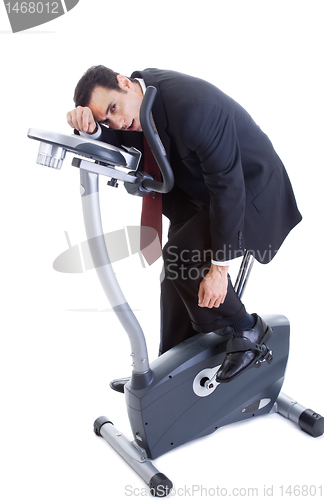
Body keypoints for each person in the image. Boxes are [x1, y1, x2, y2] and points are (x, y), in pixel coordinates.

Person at [67, 66, 302, 389]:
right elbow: (122, 137)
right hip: (201, 190)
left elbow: (229, 186)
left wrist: (219, 270)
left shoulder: (192, 107)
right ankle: (171, 371)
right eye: (107, 119)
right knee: (174, 277)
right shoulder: (137, 104)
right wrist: (92, 129)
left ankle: (247, 330)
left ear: (124, 82)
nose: (117, 122)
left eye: (112, 109)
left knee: (182, 256)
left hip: (250, 189)